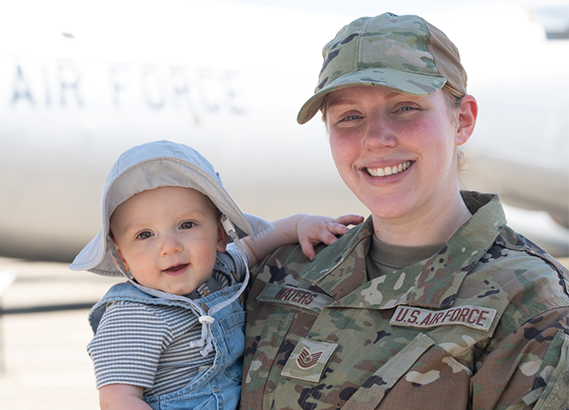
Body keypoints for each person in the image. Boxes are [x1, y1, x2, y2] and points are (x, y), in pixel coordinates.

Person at [241, 12, 569, 410]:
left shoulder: (530, 304)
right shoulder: (283, 271)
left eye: (405, 108)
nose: (376, 139)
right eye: (350, 117)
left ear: (462, 120)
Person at [69, 140, 362, 410]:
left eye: (187, 225)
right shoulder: (131, 316)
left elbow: (254, 245)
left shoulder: (222, 271)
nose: (169, 247)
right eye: (145, 234)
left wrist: (301, 224)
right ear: (122, 258)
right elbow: (117, 400)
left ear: (221, 235)